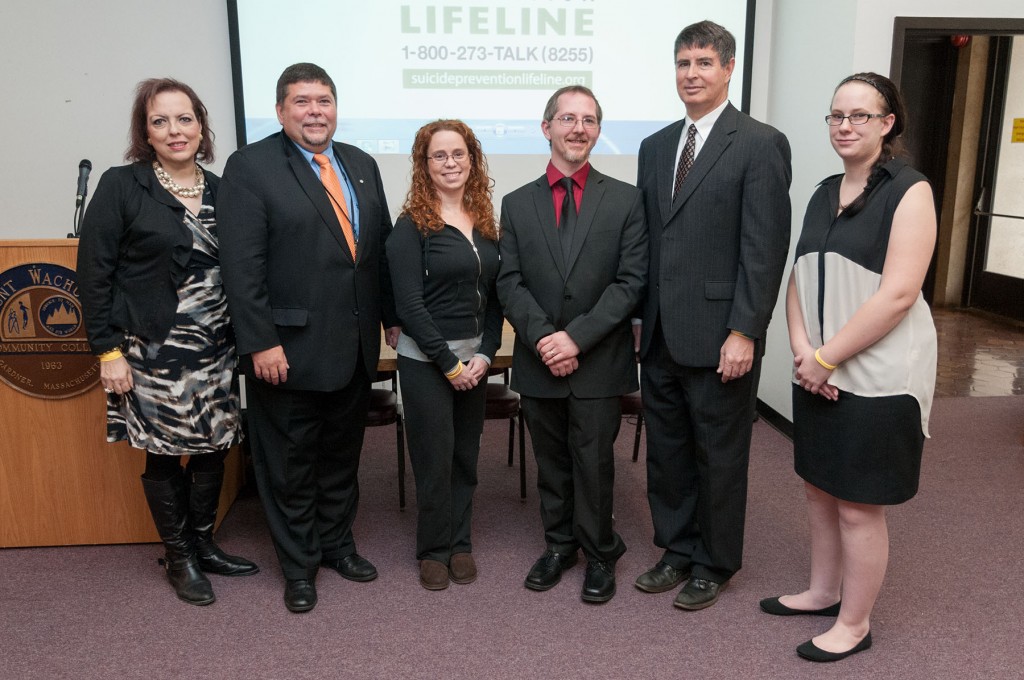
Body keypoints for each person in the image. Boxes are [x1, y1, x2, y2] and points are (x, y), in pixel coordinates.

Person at [760, 73, 937, 663]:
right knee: (818, 490)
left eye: (860, 116)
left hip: (878, 376)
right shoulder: (821, 191)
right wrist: (803, 350)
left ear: (888, 124)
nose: (845, 126)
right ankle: (822, 591)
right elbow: (798, 276)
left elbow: (898, 295)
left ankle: (855, 624)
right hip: (820, 369)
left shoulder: (910, 191)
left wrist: (828, 357)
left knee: (860, 505)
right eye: (837, 115)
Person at [217, 63, 399, 613]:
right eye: (302, 101)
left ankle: (337, 545)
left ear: (336, 108)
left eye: (323, 100)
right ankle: (299, 566)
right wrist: (259, 341)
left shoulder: (360, 164)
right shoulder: (250, 167)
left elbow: (379, 248)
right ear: (279, 111)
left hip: (354, 344)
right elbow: (241, 266)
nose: (314, 111)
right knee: (290, 463)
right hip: (285, 350)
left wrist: (389, 317)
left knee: (341, 456)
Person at [77, 78, 258, 607]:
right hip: (152, 348)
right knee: (164, 454)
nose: (175, 130)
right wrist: (107, 351)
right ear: (146, 132)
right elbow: (94, 273)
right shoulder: (122, 185)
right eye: (161, 121)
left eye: (185, 119)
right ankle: (178, 557)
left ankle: (204, 544)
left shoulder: (226, 190)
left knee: (214, 445)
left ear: (201, 126)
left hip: (216, 348)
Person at [633, 20, 792, 610]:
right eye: (682, 63)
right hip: (661, 335)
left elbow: (764, 245)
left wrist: (745, 330)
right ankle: (675, 550)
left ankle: (714, 562)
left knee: (719, 456)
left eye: (703, 62)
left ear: (729, 69)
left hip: (724, 336)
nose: (691, 74)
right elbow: (649, 242)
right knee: (667, 452)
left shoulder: (758, 142)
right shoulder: (654, 147)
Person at [497, 85, 647, 604]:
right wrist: (544, 339)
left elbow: (630, 282)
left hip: (598, 360)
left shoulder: (627, 199)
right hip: (540, 360)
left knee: (594, 463)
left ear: (598, 131)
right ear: (547, 128)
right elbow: (508, 282)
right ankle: (559, 546)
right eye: (567, 118)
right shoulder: (516, 204)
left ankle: (601, 552)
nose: (577, 128)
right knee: (552, 462)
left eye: (588, 120)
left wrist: (575, 338)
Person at [386, 120, 502, 590]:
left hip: (474, 362)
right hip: (426, 363)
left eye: (458, 154)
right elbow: (410, 306)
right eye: (440, 155)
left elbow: (496, 297)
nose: (450, 163)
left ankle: (460, 544)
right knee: (433, 459)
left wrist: (487, 355)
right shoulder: (411, 227)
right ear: (424, 164)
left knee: (465, 457)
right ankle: (433, 550)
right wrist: (449, 363)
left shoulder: (487, 222)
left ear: (471, 160)